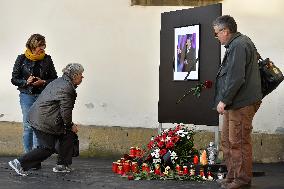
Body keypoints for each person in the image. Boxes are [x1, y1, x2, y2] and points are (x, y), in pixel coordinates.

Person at [213, 15, 262, 189]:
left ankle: (241, 181)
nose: (216, 36)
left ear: (225, 31)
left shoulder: (239, 45)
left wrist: (224, 100)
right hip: (236, 103)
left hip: (241, 103)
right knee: (228, 141)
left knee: (239, 142)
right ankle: (232, 176)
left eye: (216, 33)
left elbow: (236, 78)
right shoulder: (237, 44)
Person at [8, 63, 84, 176]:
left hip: (42, 116)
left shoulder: (61, 81)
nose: (82, 77)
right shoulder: (67, 88)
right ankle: (19, 163)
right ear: (75, 75)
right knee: (47, 148)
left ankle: (62, 165)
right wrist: (70, 125)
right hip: (44, 120)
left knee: (68, 135)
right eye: (81, 74)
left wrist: (68, 127)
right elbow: (66, 112)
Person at [11, 34, 58, 154]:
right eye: (39, 45)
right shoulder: (21, 59)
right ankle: (28, 157)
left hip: (42, 96)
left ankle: (35, 158)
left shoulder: (47, 59)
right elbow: (14, 79)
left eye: (43, 45)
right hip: (27, 96)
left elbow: (54, 79)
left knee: (38, 127)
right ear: (32, 46)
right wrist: (26, 82)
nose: (42, 48)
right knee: (28, 126)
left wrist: (43, 82)